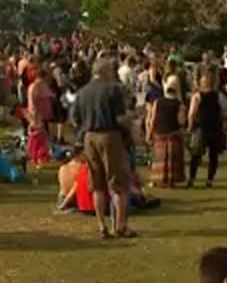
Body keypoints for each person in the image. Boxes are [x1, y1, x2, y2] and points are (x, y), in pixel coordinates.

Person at [70, 58, 135, 239]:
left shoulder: (82, 93)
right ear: (106, 71)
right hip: (109, 135)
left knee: (97, 184)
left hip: (89, 137)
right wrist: (131, 119)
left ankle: (102, 226)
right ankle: (120, 225)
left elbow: (74, 119)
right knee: (118, 183)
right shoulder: (113, 90)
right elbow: (120, 118)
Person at [186, 73, 227, 189]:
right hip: (210, 127)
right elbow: (225, 111)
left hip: (204, 128)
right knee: (208, 156)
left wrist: (190, 127)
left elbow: (191, 114)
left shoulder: (198, 96)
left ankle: (194, 179)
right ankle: (205, 180)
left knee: (197, 155)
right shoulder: (217, 95)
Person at [147, 75, 186, 188]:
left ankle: (155, 180)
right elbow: (181, 121)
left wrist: (149, 133)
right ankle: (171, 182)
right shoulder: (179, 104)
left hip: (159, 134)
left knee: (158, 160)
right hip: (173, 134)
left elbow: (153, 119)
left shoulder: (157, 102)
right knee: (172, 162)